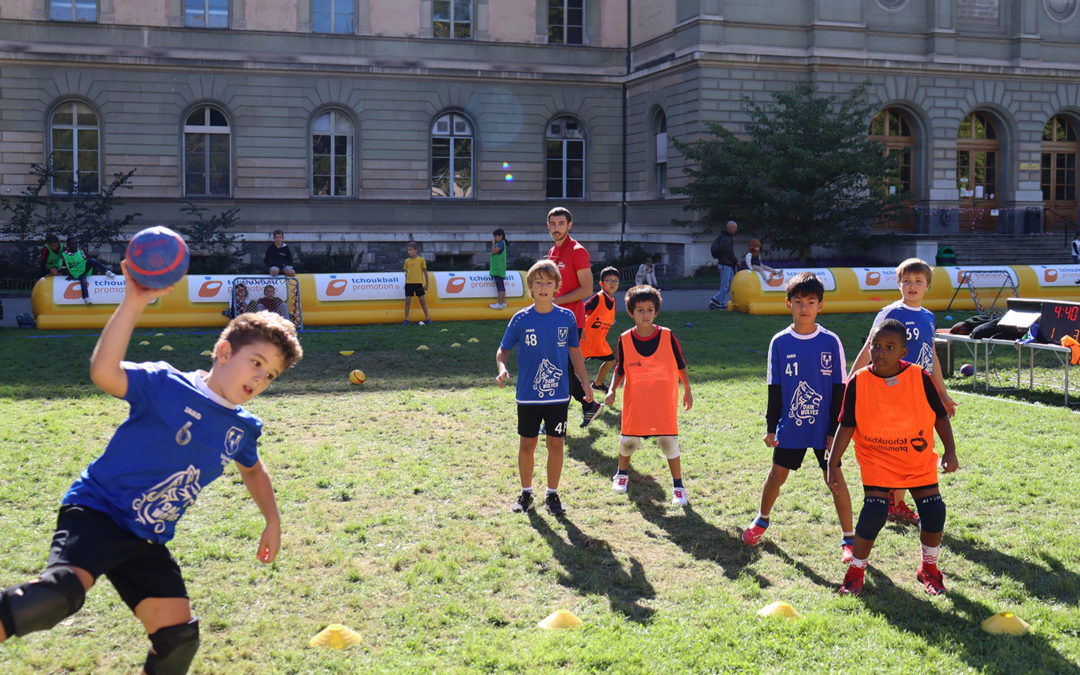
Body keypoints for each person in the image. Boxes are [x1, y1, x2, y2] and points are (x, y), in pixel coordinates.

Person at [0, 261, 303, 672]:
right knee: (54, 598)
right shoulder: (164, 384)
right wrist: (133, 301)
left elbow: (252, 469)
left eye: (270, 375)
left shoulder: (243, 427)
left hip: (146, 537)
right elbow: (104, 373)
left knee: (177, 640)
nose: (260, 378)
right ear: (225, 351)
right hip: (98, 512)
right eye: (256, 362)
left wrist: (273, 519)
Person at [828, 319, 958, 596]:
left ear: (902, 352)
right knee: (874, 512)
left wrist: (950, 451)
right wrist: (832, 462)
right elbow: (846, 424)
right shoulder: (859, 381)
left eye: (889, 347)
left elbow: (940, 416)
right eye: (876, 346)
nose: (880, 352)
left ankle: (929, 568)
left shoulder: (920, 377)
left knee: (934, 511)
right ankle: (856, 571)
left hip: (916, 458)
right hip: (877, 458)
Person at [741, 272, 855, 562]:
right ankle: (761, 519)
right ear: (788, 303)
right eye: (799, 301)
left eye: (811, 301)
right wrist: (771, 427)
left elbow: (840, 389)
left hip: (824, 428)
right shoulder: (779, 342)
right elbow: (775, 387)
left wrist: (834, 431)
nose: (804, 307)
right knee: (777, 475)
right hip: (791, 424)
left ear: (820, 306)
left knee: (835, 480)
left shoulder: (831, 341)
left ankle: (849, 539)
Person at [847, 258, 957, 527]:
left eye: (918, 281)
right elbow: (868, 350)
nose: (912, 286)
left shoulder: (929, 316)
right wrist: (850, 381)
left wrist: (941, 393)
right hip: (891, 391)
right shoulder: (889, 313)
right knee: (894, 445)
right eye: (906, 281)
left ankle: (896, 503)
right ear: (898, 284)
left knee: (916, 447)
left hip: (919, 393)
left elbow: (931, 357)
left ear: (928, 286)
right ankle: (891, 502)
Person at [496, 260, 594, 516]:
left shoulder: (566, 317)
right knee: (527, 444)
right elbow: (502, 350)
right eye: (538, 282)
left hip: (558, 396)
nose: (543, 287)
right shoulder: (520, 319)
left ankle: (552, 494)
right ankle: (526, 493)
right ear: (530, 287)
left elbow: (575, 353)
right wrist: (502, 367)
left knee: (556, 444)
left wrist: (585, 383)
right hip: (528, 397)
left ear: (557, 287)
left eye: (549, 282)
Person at [605, 285, 693, 504]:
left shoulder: (667, 335)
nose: (645, 314)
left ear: (656, 311)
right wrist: (611, 389)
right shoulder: (625, 338)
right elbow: (620, 368)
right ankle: (621, 474)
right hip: (637, 401)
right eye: (640, 310)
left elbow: (681, 365)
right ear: (631, 313)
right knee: (628, 441)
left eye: (649, 309)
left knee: (667, 442)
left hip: (663, 400)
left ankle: (678, 487)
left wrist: (688, 391)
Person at [545, 206, 602, 427]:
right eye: (553, 224)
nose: (556, 228)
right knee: (561, 370)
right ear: (548, 225)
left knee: (561, 371)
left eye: (561, 223)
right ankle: (589, 406)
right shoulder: (552, 252)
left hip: (570, 320)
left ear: (569, 225)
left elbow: (587, 290)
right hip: (553, 318)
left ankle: (558, 418)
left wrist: (554, 302)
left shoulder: (578, 251)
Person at [581, 266, 620, 391]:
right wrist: (580, 328)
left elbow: (605, 316)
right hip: (586, 340)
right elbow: (581, 311)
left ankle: (597, 384)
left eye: (615, 281)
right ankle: (561, 388)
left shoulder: (612, 300)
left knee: (610, 361)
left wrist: (611, 320)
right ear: (601, 283)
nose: (612, 284)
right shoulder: (599, 298)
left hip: (599, 342)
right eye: (609, 280)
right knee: (575, 368)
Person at [62, 236, 115, 304]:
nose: (74, 246)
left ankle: (107, 271)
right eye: (72, 244)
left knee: (92, 260)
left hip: (84, 269)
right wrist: (69, 275)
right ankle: (86, 297)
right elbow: (64, 267)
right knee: (83, 280)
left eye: (76, 244)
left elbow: (85, 261)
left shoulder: (80, 252)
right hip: (77, 273)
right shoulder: (64, 255)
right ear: (68, 245)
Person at [709, 220, 738, 310]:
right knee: (725, 285)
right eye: (734, 228)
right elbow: (729, 252)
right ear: (728, 228)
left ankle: (716, 299)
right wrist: (735, 261)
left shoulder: (724, 237)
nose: (735, 230)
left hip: (726, 264)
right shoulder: (726, 239)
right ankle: (721, 303)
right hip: (726, 264)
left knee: (730, 284)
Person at [402, 241, 432, 325]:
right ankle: (406, 319)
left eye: (410, 250)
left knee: (422, 301)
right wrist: (405, 283)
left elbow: (425, 272)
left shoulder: (421, 260)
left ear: (415, 250)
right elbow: (407, 273)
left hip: (418, 284)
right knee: (407, 302)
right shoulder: (407, 261)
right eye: (408, 250)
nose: (409, 252)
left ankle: (428, 318)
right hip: (409, 284)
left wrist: (427, 284)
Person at [488, 228, 508, 310]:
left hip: (498, 269)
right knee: (501, 286)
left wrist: (493, 244)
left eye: (495, 236)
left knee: (500, 287)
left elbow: (494, 251)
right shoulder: (502, 243)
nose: (494, 238)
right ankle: (502, 303)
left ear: (500, 236)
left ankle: (499, 303)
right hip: (499, 268)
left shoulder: (500, 244)